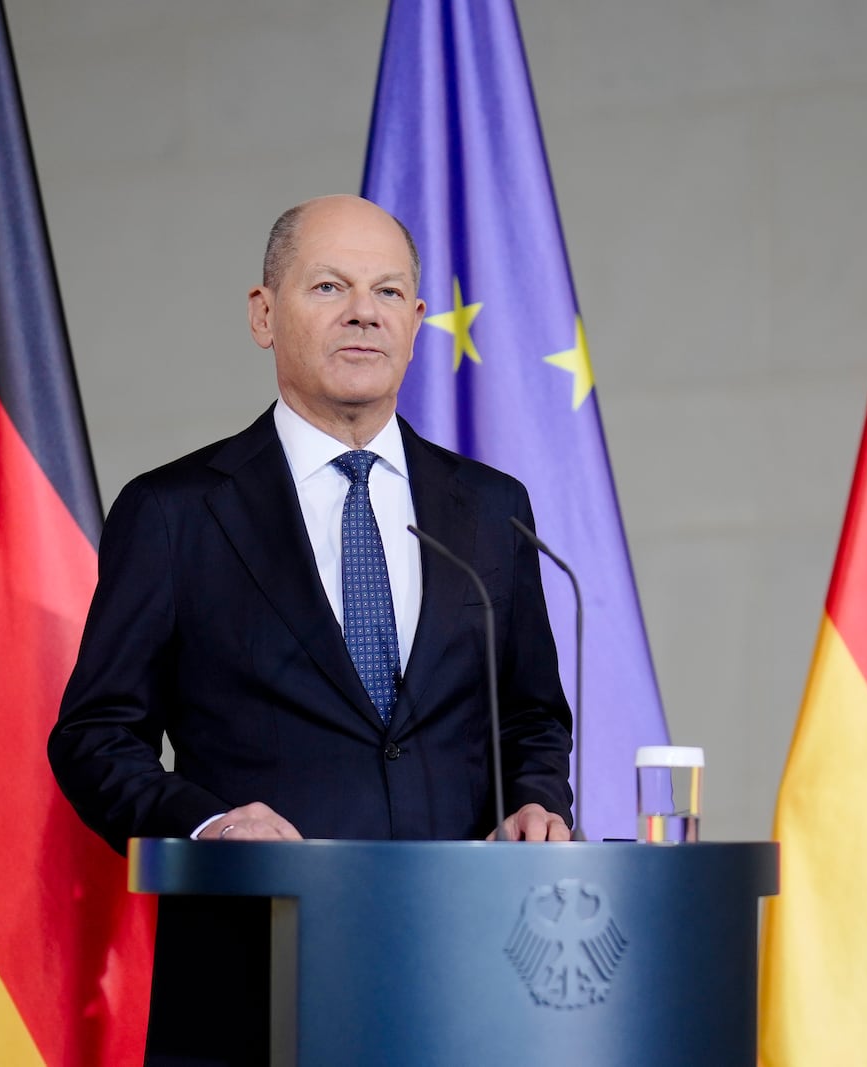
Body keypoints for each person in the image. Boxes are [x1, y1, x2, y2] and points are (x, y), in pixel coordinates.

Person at [48, 194, 574, 1062]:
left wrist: (537, 800)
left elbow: (531, 715)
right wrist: (210, 824)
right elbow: (95, 736)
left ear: (414, 322)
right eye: (329, 285)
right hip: (253, 981)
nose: (364, 310)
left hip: (465, 976)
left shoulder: (489, 510)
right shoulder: (175, 512)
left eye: (389, 291)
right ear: (264, 314)